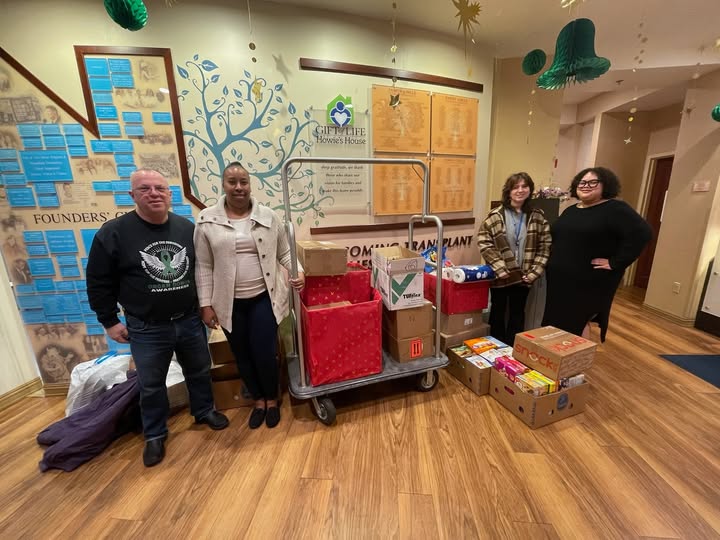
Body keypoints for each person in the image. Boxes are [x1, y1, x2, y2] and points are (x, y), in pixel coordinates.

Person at [86, 168, 228, 468]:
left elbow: (201, 271)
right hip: (147, 327)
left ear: (169, 194)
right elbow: (99, 281)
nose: (154, 193)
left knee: (200, 371)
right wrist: (109, 321)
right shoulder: (113, 233)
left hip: (189, 320)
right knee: (151, 384)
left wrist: (207, 305)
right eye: (145, 189)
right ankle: (154, 434)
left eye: (160, 188)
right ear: (132, 195)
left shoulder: (186, 228)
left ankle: (203, 411)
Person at [194, 162, 305, 430]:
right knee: (242, 354)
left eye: (243, 181)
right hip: (229, 304)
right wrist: (205, 305)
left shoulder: (269, 216)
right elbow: (203, 265)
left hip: (263, 298)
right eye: (232, 182)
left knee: (265, 353)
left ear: (250, 184)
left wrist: (298, 270)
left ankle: (272, 398)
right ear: (223, 185)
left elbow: (285, 252)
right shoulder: (207, 220)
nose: (239, 187)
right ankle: (257, 400)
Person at [543, 167, 652, 341]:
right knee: (558, 318)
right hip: (560, 279)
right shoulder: (571, 210)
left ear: (606, 185)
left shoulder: (615, 209)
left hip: (589, 279)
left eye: (593, 182)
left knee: (578, 320)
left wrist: (616, 262)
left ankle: (576, 360)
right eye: (582, 182)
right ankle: (556, 357)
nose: (586, 186)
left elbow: (643, 233)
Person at [477, 172, 552, 345]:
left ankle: (513, 347)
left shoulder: (538, 216)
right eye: (515, 187)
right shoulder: (495, 215)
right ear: (508, 191)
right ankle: (495, 346)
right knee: (498, 311)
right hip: (500, 276)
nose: (520, 190)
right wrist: (500, 268)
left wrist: (534, 273)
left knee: (518, 312)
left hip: (524, 276)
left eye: (524, 186)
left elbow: (545, 247)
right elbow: (484, 242)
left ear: (530, 190)